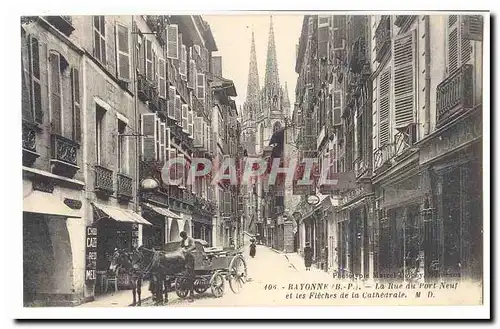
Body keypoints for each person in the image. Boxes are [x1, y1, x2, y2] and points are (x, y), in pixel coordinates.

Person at [180, 231, 196, 302]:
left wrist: (187, 250)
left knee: (190, 275)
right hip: (185, 255)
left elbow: (193, 246)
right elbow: (181, 246)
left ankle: (191, 294)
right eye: (182, 237)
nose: (183, 238)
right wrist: (182, 249)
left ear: (186, 235)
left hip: (191, 255)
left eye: (184, 236)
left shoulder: (191, 239)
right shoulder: (182, 240)